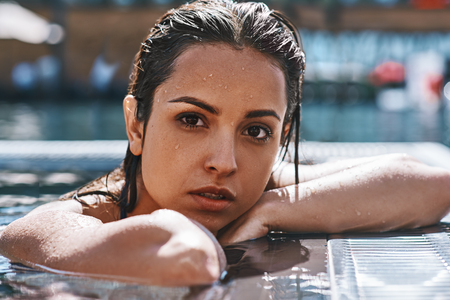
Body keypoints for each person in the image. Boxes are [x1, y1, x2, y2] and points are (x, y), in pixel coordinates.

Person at [1, 0, 450, 287]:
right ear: (136, 125)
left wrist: (273, 209)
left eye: (256, 131)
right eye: (192, 120)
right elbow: (188, 262)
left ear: (282, 139)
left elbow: (432, 184)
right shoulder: (48, 228)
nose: (224, 162)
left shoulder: (251, 186)